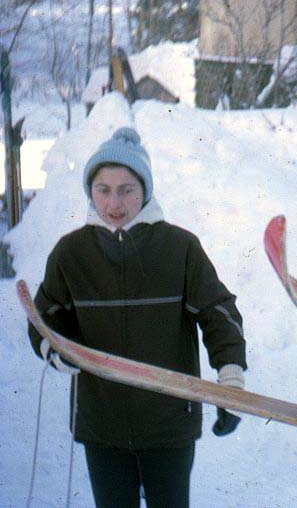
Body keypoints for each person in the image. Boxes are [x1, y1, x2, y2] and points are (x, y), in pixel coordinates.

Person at [28, 127, 248, 508]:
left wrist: (230, 378)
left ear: (145, 189)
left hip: (168, 425)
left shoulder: (179, 247)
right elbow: (44, 317)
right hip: (102, 426)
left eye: (127, 189)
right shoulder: (71, 253)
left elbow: (218, 311)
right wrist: (56, 348)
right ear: (89, 191)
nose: (114, 202)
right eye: (103, 189)